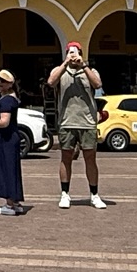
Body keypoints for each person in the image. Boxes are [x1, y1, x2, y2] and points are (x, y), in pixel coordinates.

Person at [46, 41, 109, 208]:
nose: (73, 55)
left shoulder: (90, 71)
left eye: (75, 52)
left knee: (90, 158)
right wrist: (65, 63)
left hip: (87, 122)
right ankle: (65, 194)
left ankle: (94, 194)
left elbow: (97, 84)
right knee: (66, 157)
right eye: (70, 52)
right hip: (67, 121)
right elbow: (51, 82)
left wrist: (84, 66)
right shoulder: (60, 70)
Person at [0, 69, 28, 216]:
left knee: (7, 169)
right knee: (11, 169)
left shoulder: (7, 100)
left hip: (6, 139)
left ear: (10, 83)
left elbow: (4, 122)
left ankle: (10, 204)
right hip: (7, 139)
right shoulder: (6, 97)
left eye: (3, 81)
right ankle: (15, 202)